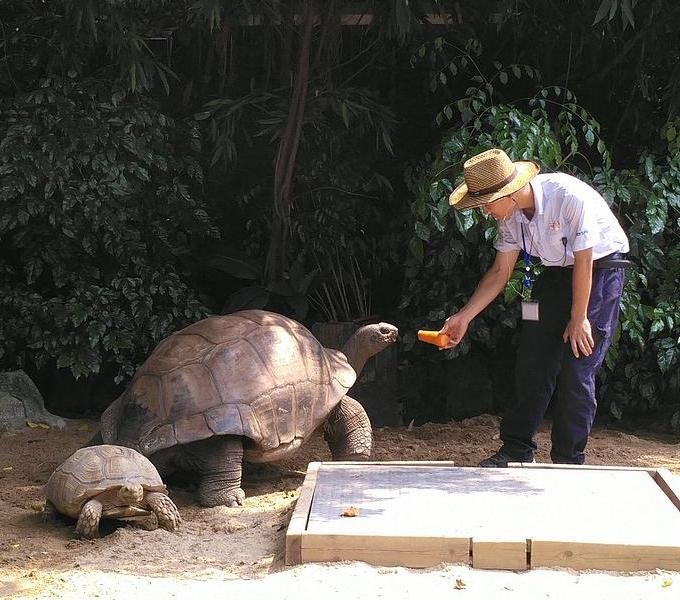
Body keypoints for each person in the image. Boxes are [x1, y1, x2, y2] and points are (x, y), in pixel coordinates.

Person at [440, 148, 630, 467]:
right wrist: (464, 316)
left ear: (510, 193)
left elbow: (585, 260)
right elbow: (501, 272)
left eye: (487, 202)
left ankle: (569, 460)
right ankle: (516, 448)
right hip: (556, 273)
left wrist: (579, 318)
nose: (485, 210)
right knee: (532, 360)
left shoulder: (568, 196)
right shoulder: (510, 216)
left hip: (601, 270)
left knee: (576, 366)